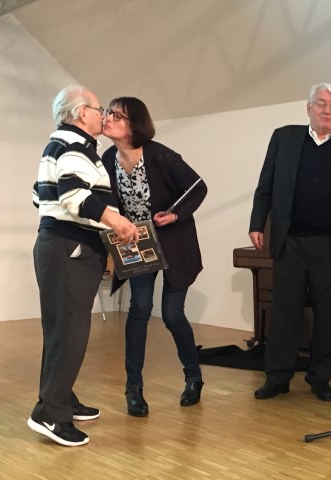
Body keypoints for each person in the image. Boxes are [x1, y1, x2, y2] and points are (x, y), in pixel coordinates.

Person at [249, 83, 331, 401]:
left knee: (330, 317)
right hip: (289, 241)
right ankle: (278, 377)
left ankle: (321, 378)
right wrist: (256, 223)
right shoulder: (284, 138)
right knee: (284, 314)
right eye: (321, 103)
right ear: (308, 108)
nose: (327, 110)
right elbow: (265, 184)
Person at [29, 85, 139, 446]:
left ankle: (60, 398)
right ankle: (50, 414)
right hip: (70, 247)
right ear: (81, 113)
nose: (103, 115)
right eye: (99, 109)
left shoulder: (61, 144)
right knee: (70, 332)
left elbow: (38, 194)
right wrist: (117, 221)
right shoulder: (75, 144)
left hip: (59, 245)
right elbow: (74, 195)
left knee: (61, 330)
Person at [101, 97, 208, 416]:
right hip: (136, 242)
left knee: (173, 315)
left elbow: (198, 187)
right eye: (108, 113)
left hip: (174, 242)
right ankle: (133, 389)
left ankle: (194, 378)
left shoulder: (160, 155)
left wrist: (175, 214)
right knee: (140, 309)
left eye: (117, 115)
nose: (108, 118)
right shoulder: (108, 158)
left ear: (134, 125)